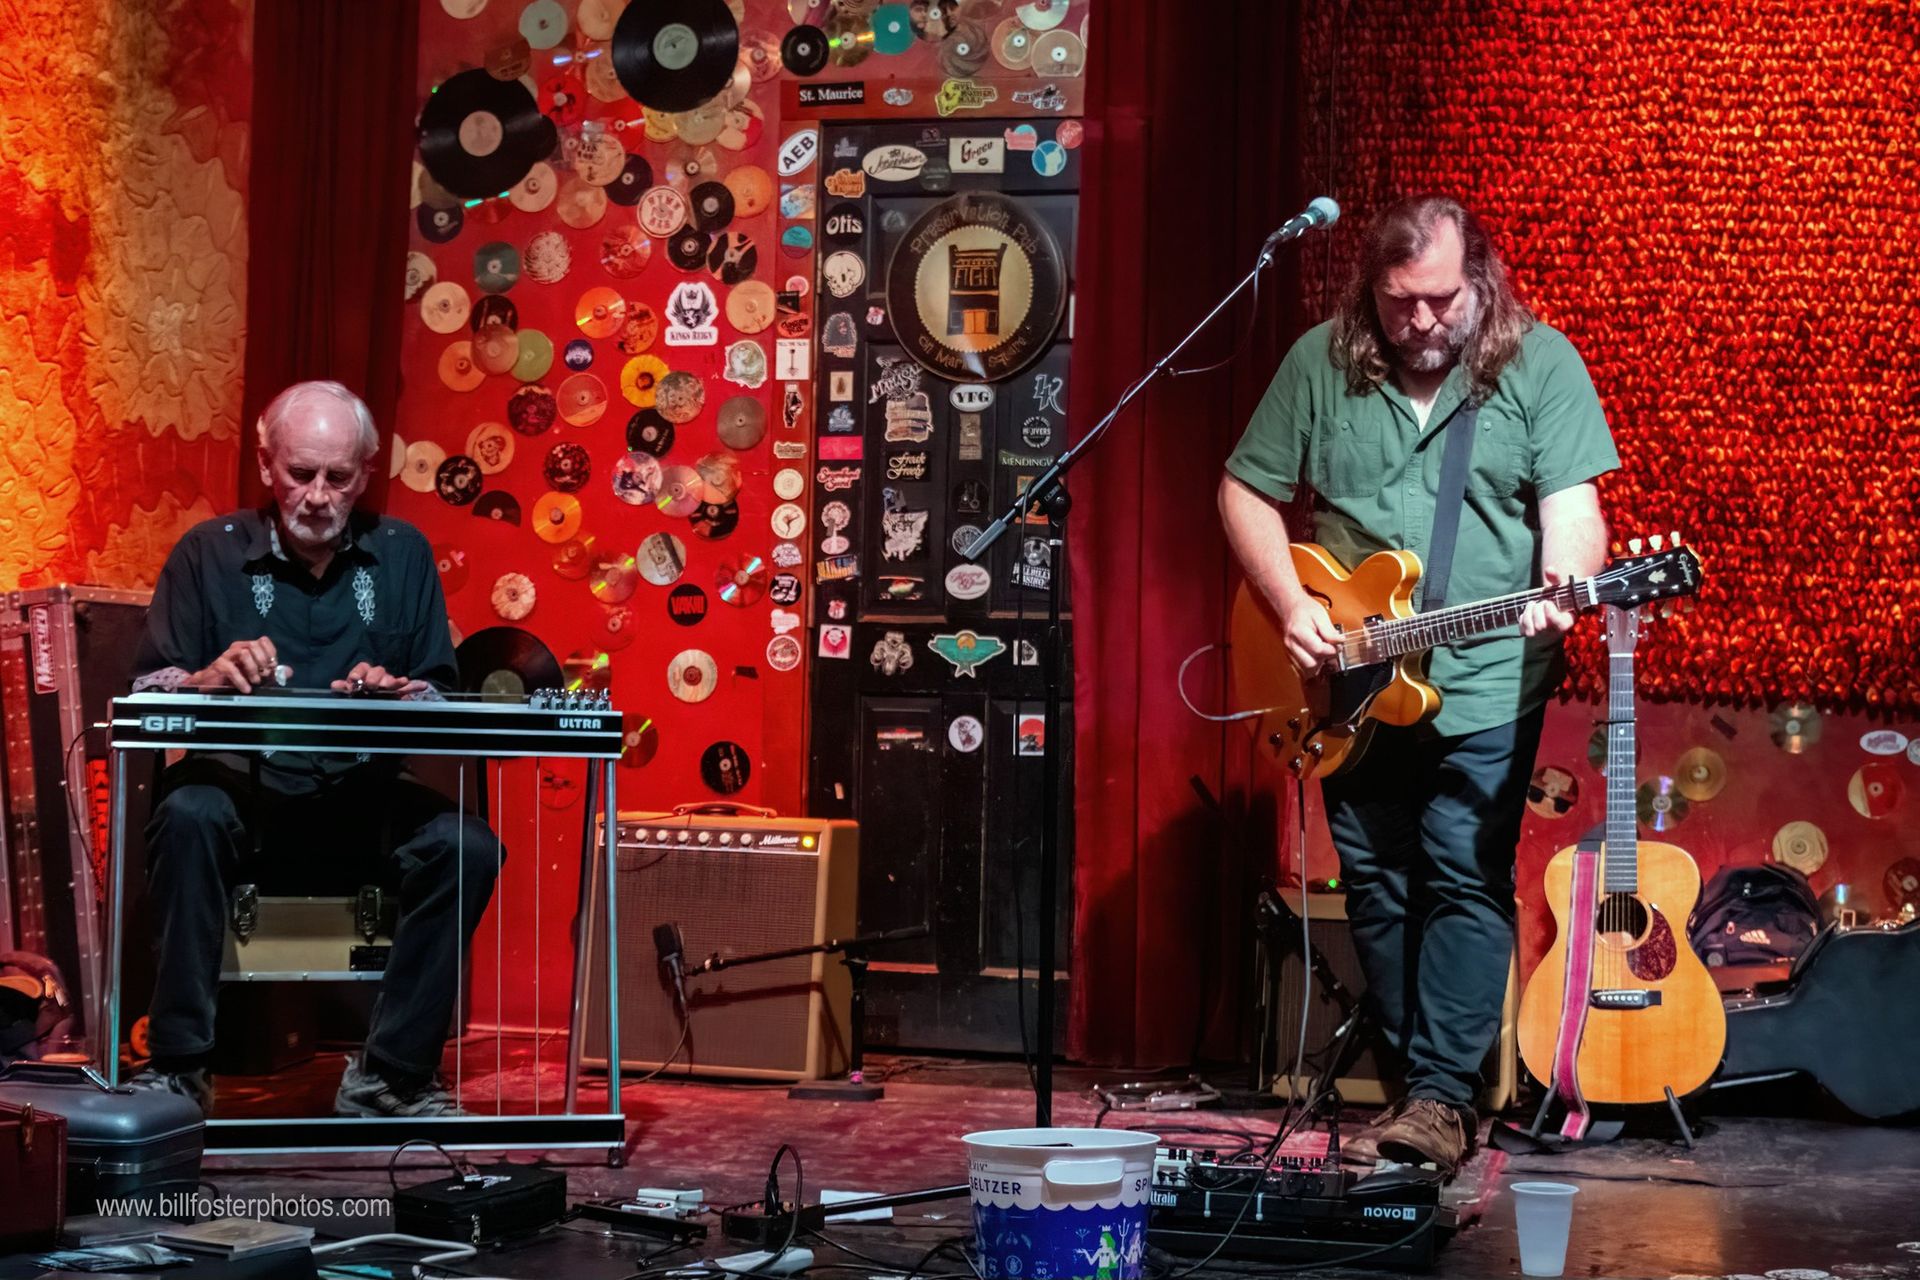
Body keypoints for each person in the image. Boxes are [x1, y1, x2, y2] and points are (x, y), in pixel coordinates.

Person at [1218, 196, 1618, 1174]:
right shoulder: (1320, 363)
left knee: (1463, 872)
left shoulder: (1541, 365)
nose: (1424, 321)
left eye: (1441, 299)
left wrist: (1565, 581)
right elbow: (1244, 490)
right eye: (1401, 303)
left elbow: (1574, 508)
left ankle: (1442, 1097)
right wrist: (1289, 605)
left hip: (1489, 675)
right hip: (1348, 678)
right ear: (1371, 292)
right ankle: (1418, 1087)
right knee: (1377, 883)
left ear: (1480, 280)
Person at [127, 380, 503, 1118]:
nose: (319, 496)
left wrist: (399, 691)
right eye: (301, 473)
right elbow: (145, 686)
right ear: (266, 465)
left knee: (467, 847)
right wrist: (203, 679)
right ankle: (178, 1071)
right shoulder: (208, 552)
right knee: (190, 813)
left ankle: (391, 1076)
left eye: (339, 476)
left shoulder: (402, 554)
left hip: (362, 799)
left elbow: (438, 690)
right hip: (244, 799)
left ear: (365, 475)